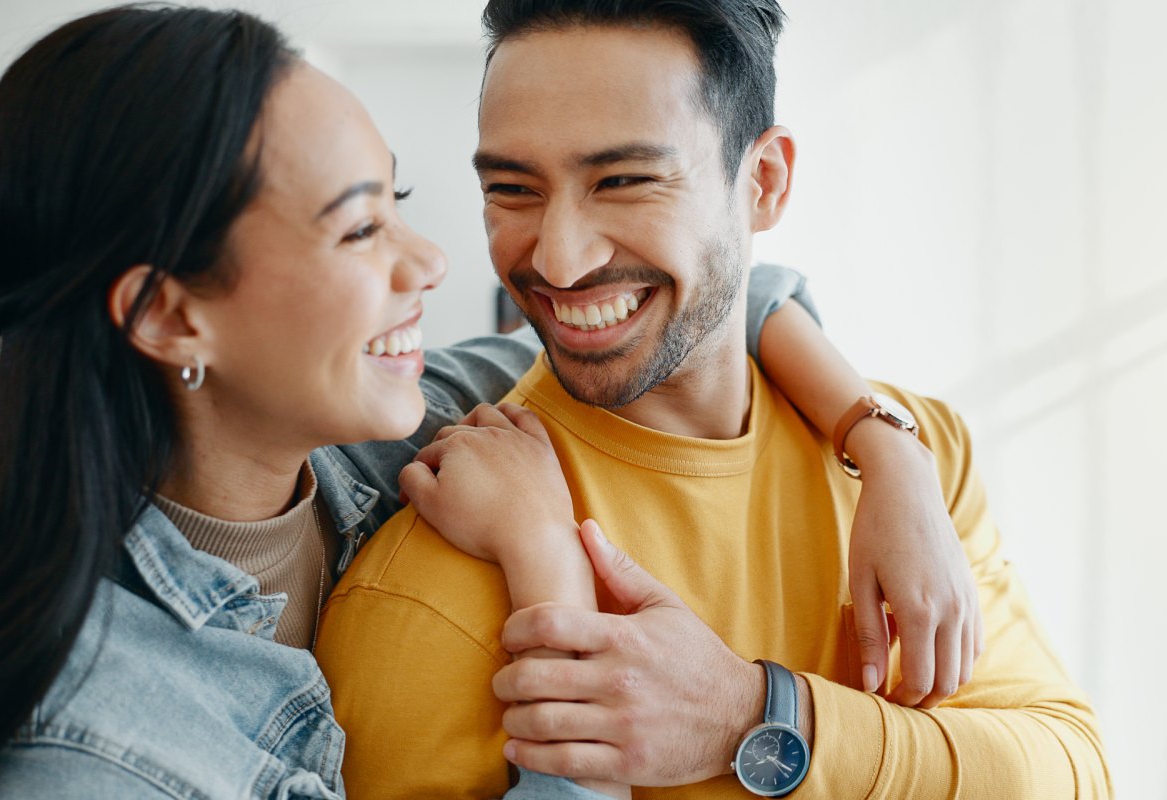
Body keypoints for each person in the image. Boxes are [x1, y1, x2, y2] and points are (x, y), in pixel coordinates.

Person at [0, 5, 980, 798]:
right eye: (361, 229)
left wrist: (887, 450)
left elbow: (720, 293)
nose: (436, 259)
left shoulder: (386, 426)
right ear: (166, 314)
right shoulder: (98, 751)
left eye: (398, 201)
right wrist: (547, 562)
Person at [316, 1, 1112, 798]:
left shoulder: (914, 457)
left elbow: (1072, 772)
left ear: (763, 182)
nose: (559, 260)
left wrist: (761, 717)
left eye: (623, 180)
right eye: (514, 189)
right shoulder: (431, 590)